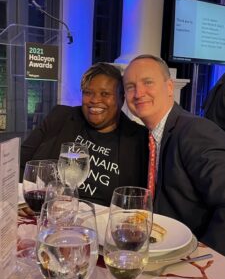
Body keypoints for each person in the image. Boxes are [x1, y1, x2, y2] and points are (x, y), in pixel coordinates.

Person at [123, 54, 225, 256]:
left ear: (170, 88)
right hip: (160, 252)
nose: (138, 93)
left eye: (148, 82)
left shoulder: (194, 131)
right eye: (130, 87)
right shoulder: (148, 137)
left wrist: (206, 258)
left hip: (193, 259)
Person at [20, 62, 149, 206]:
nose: (94, 100)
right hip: (49, 211)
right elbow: (20, 164)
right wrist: (22, 201)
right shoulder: (61, 117)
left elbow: (140, 198)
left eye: (105, 94)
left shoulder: (139, 138)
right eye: (88, 92)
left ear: (121, 99)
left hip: (103, 222)